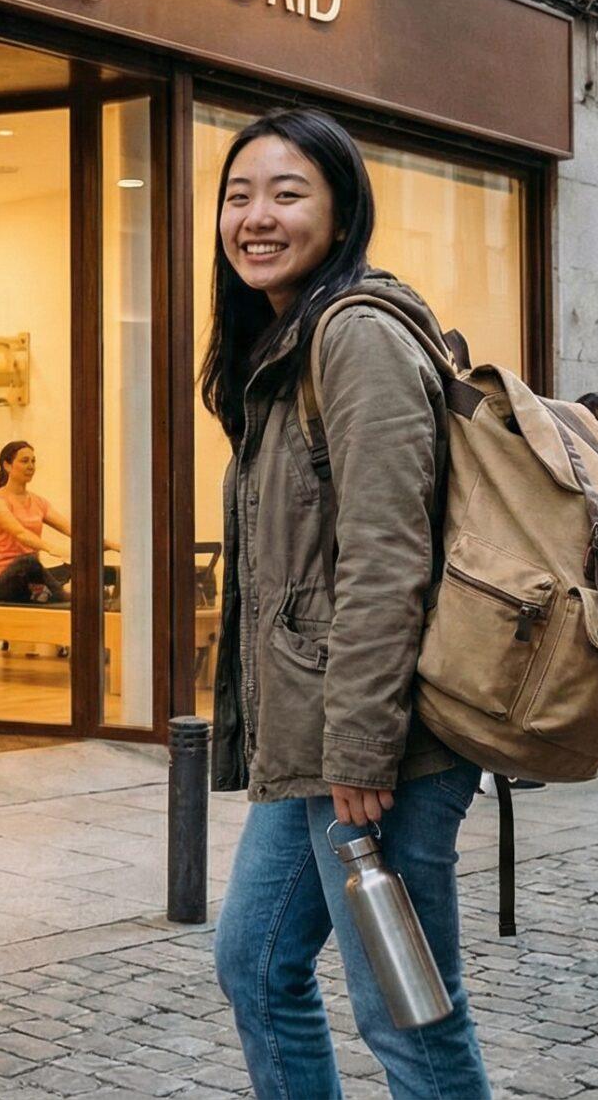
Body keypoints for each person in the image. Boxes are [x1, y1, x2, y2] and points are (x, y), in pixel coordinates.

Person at [203, 107, 490, 1099]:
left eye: (287, 193)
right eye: (238, 195)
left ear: (339, 209)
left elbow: (385, 551)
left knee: (408, 1010)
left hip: (378, 743)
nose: (255, 216)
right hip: (319, 739)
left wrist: (361, 750)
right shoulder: (285, 345)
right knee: (255, 965)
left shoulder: (355, 334)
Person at [0, 442, 116, 605]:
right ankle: (59, 595)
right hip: (2, 582)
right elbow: (20, 533)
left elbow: (73, 531)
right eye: (24, 461)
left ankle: (79, 599)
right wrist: (52, 548)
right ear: (7, 466)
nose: (31, 466)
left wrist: (111, 544)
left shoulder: (39, 502)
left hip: (30, 582)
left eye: (33, 461)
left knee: (50, 576)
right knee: (28, 562)